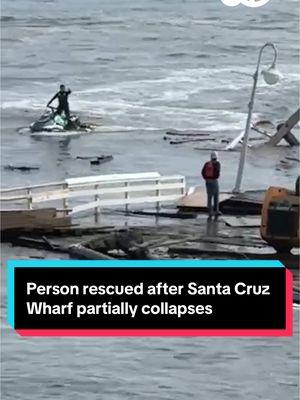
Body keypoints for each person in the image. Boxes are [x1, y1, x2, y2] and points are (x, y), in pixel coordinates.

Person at [201, 151, 221, 220]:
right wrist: (215, 177)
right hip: (214, 181)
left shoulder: (207, 163)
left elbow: (202, 172)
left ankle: (210, 211)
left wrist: (206, 179)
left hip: (207, 181)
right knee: (216, 195)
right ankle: (216, 210)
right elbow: (217, 172)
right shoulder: (217, 163)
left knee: (209, 196)